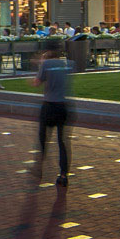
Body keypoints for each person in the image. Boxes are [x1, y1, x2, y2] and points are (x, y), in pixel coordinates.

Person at [35, 48, 73, 187]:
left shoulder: (46, 64)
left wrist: (41, 63)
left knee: (43, 137)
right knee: (62, 142)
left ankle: (39, 165)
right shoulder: (67, 64)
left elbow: (37, 82)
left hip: (49, 105)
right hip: (63, 106)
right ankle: (63, 174)